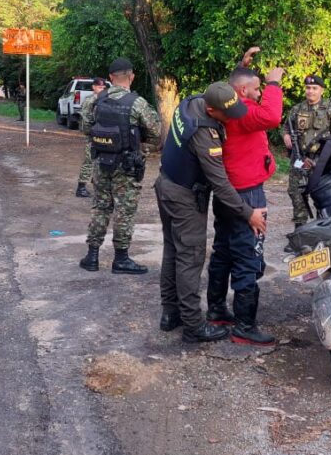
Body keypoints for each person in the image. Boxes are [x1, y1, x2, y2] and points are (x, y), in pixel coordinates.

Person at [155, 82, 268, 343]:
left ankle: (170, 313)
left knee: (173, 250)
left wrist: (242, 69)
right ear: (211, 110)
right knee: (190, 257)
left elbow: (224, 92)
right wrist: (247, 213)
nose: (232, 119)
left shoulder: (192, 101)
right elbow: (220, 183)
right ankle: (194, 326)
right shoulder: (204, 134)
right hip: (184, 196)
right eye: (227, 115)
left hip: (166, 183)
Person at [206, 61, 285, 346]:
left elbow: (230, 84)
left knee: (223, 252)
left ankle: (216, 311)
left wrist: (242, 65)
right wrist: (274, 83)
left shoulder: (226, 107)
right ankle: (244, 326)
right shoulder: (245, 113)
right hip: (248, 195)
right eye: (255, 88)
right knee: (248, 257)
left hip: (227, 193)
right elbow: (273, 116)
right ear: (241, 90)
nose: (259, 91)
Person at [79, 59, 161, 274]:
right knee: (124, 211)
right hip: (126, 165)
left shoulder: (95, 100)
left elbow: (86, 128)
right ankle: (121, 259)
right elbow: (155, 132)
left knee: (100, 207)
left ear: (110, 78)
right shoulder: (137, 103)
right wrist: (141, 150)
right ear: (131, 76)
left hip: (100, 162)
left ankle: (92, 256)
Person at [284, 75, 331, 226]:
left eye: (314, 88)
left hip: (321, 163)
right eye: (308, 88)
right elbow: (286, 127)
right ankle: (301, 230)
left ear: (321, 90)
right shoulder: (297, 109)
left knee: (323, 195)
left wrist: (324, 159)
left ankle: (323, 228)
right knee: (295, 193)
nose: (310, 91)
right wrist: (285, 136)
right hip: (299, 160)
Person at [74, 78, 107, 198]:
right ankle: (81, 188)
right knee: (89, 161)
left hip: (98, 135)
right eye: (99, 87)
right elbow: (88, 120)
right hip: (92, 136)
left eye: (103, 88)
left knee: (99, 161)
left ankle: (97, 185)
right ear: (93, 87)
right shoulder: (92, 100)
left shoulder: (100, 99)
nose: (102, 90)